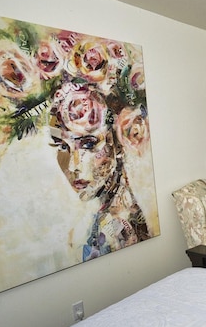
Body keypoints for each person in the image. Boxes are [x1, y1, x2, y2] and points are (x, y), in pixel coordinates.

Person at [49, 83, 151, 261]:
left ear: (118, 144)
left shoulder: (118, 228)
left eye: (88, 144)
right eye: (63, 146)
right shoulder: (98, 222)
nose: (73, 166)